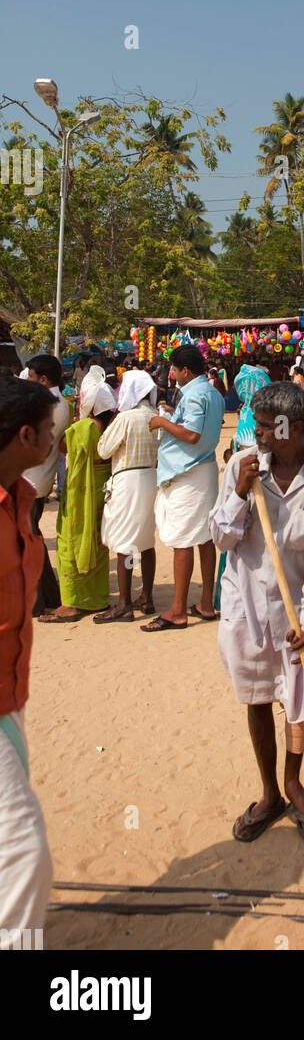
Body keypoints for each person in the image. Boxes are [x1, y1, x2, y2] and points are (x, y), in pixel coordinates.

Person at [210, 381, 304, 844]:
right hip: (245, 602)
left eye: (269, 426)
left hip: (297, 609)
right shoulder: (240, 466)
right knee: (255, 696)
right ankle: (269, 793)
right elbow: (222, 539)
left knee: (297, 698)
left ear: (297, 426)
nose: (260, 433)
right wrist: (240, 494)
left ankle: (293, 782)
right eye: (259, 423)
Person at [0, 377, 57, 936]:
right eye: (48, 432)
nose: (55, 440)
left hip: (9, 697)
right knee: (22, 852)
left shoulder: (22, 498)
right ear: (25, 435)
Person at [144, 344, 225, 631]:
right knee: (204, 538)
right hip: (203, 469)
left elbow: (191, 435)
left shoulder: (195, 394)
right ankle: (205, 603)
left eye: (175, 370)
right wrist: (173, 413)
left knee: (182, 539)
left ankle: (178, 610)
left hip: (188, 472)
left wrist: (162, 421)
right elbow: (197, 426)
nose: (173, 375)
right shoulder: (211, 392)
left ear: (185, 371)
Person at [38, 377, 117, 623]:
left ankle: (71, 604)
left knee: (70, 543)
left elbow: (62, 447)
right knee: (98, 543)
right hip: (102, 490)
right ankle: (96, 598)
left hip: (79, 494)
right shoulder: (114, 425)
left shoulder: (83, 429)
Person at [94, 369, 160, 623]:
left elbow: (104, 449)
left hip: (128, 480)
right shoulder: (156, 416)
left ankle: (124, 603)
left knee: (126, 543)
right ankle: (147, 595)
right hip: (150, 478)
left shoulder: (126, 418)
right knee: (146, 540)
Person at [21, 355, 70, 615]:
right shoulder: (57, 402)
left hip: (30, 478)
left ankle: (38, 600)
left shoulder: (47, 404)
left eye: (30, 375)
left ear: (42, 379)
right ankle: (47, 596)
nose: (27, 380)